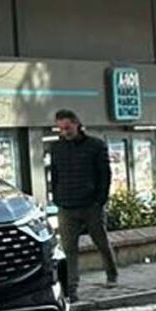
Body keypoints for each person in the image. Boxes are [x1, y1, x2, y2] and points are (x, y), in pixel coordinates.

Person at [44, 111, 117, 298]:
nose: (65, 132)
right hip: (66, 205)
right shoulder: (57, 148)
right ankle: (71, 288)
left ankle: (111, 274)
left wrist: (100, 200)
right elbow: (55, 174)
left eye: (67, 128)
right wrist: (57, 197)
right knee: (69, 249)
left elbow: (105, 175)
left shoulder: (95, 146)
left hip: (91, 204)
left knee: (101, 241)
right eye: (61, 129)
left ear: (77, 124)